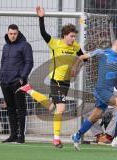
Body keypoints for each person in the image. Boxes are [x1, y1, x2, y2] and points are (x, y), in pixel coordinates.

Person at [17, 6, 87, 148]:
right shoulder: (55, 43)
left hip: (66, 83)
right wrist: (41, 17)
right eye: (71, 36)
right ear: (64, 35)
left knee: (53, 108)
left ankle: (30, 90)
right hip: (56, 81)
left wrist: (75, 67)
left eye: (74, 36)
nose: (73, 39)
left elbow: (82, 58)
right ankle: (56, 139)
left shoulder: (75, 46)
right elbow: (43, 33)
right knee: (60, 109)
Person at [71, 35, 117, 150]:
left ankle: (77, 135)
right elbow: (81, 57)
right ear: (116, 43)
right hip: (101, 89)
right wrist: (74, 68)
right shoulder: (102, 52)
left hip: (108, 91)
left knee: (95, 116)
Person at [0, 24, 33, 143]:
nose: (12, 36)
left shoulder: (25, 45)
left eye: (14, 34)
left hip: (18, 82)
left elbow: (29, 63)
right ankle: (13, 135)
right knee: (10, 109)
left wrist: (22, 78)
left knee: (21, 109)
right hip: (5, 82)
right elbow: (3, 62)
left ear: (18, 33)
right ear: (7, 33)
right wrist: (1, 78)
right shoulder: (5, 46)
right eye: (10, 34)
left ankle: (21, 137)